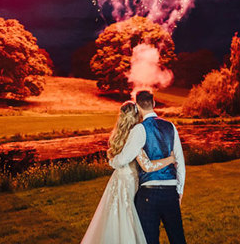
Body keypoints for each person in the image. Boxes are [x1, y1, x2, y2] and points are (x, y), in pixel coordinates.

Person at [80, 100, 176, 244]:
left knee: (113, 218)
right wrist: (170, 159)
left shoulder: (118, 135)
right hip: (130, 181)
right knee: (128, 218)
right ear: (137, 115)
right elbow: (147, 166)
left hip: (117, 180)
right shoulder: (136, 135)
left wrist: (113, 162)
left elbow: (114, 160)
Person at [109, 90, 187, 244]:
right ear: (154, 103)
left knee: (149, 240)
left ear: (137, 107)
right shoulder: (170, 126)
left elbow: (123, 159)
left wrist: (112, 161)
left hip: (148, 195)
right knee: (178, 239)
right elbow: (180, 162)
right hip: (171, 191)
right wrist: (179, 191)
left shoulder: (139, 130)